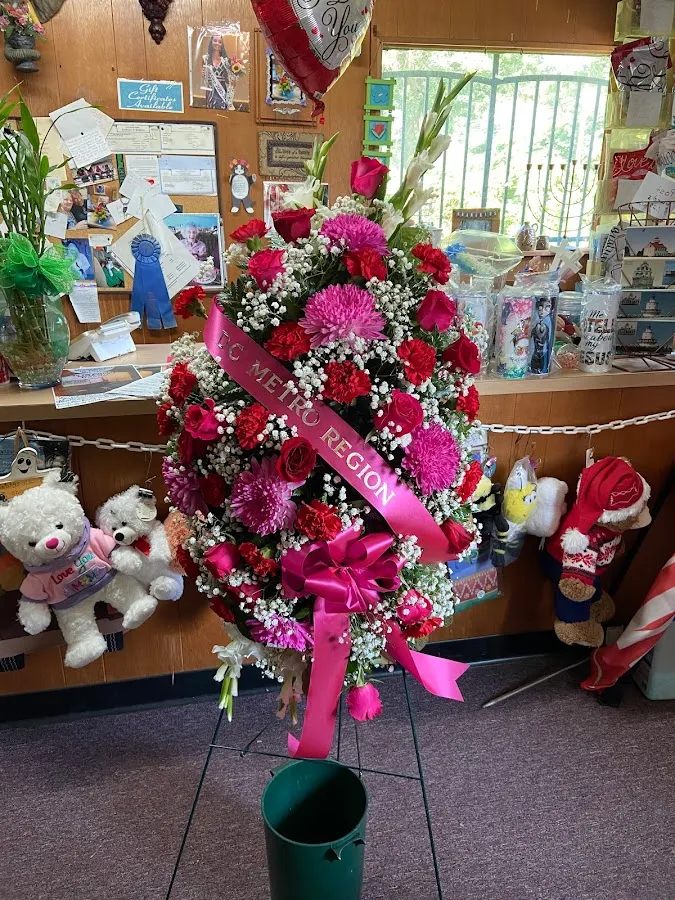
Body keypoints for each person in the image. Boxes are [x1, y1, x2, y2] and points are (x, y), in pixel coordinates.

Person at [203, 32, 234, 110]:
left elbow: (230, 82)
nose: (217, 43)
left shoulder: (226, 61)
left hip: (222, 92)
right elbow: (204, 79)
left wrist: (234, 76)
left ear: (222, 44)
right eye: (215, 40)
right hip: (210, 93)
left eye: (220, 42)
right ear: (211, 42)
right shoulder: (205, 58)